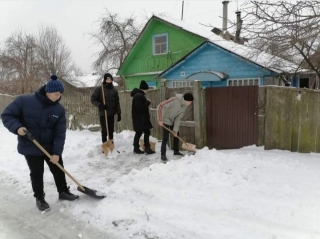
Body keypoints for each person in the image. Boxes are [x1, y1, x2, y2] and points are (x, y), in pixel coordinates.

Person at [1, 75, 79, 212]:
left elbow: (60, 133)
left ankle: (63, 191)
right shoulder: (24, 101)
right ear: (48, 91)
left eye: (61, 93)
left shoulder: (59, 110)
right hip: (31, 144)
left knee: (58, 168)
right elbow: (7, 115)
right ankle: (40, 198)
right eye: (56, 93)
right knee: (37, 173)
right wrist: (17, 128)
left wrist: (56, 153)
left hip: (49, 146)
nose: (59, 96)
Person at [156, 92, 194, 163]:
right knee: (165, 137)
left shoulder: (184, 106)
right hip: (165, 119)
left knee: (176, 135)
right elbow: (160, 106)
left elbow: (178, 118)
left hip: (172, 120)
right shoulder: (174, 100)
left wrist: (175, 131)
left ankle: (176, 151)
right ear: (187, 101)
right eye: (190, 102)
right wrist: (160, 119)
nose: (190, 104)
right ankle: (163, 154)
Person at [90, 73, 121, 147]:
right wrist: (100, 105)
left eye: (110, 79)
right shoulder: (100, 89)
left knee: (111, 130)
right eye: (107, 79)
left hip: (111, 113)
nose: (109, 80)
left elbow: (117, 102)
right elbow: (92, 99)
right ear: (104, 80)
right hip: (103, 113)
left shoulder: (114, 90)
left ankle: (111, 143)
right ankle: (104, 144)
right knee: (104, 130)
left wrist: (119, 113)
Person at [131, 80, 155, 154]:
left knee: (140, 133)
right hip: (141, 119)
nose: (147, 91)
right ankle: (145, 148)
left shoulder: (138, 95)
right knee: (145, 132)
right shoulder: (139, 96)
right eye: (147, 89)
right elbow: (140, 108)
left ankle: (137, 148)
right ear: (144, 89)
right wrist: (148, 102)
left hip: (140, 119)